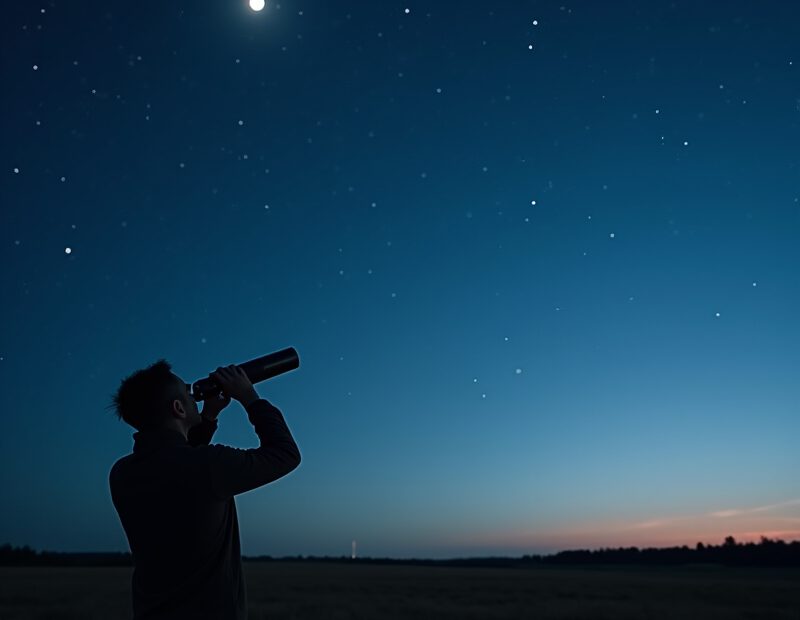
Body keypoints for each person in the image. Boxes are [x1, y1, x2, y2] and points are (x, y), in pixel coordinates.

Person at [107, 360, 301, 619]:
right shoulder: (208, 465)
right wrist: (249, 397)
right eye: (187, 393)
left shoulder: (122, 474)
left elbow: (177, 463)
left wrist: (208, 416)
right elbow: (285, 454)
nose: (193, 396)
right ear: (178, 408)